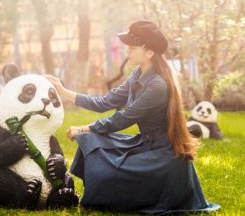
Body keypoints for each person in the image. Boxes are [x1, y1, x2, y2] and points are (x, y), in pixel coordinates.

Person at [45, 20, 220, 213]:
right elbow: (105, 102)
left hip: (163, 156)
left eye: (132, 47)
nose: (127, 51)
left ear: (149, 52)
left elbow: (123, 118)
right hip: (143, 145)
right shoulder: (138, 73)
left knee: (93, 144)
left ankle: (109, 192)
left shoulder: (157, 86)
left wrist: (83, 128)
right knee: (91, 140)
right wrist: (63, 91)